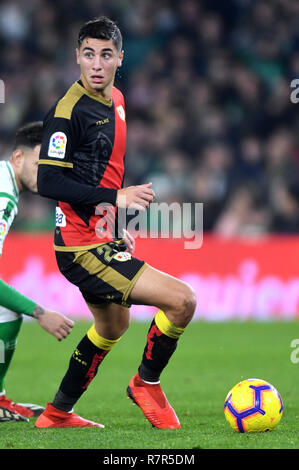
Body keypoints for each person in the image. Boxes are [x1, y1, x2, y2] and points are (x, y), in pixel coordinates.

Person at [36, 16, 196, 430]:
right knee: (182, 301)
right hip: (80, 248)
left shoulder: (118, 100)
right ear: (77, 57)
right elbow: (48, 179)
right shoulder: (67, 112)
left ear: (119, 59)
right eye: (88, 54)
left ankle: (56, 413)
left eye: (105, 55)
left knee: (112, 325)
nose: (96, 64)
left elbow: (102, 167)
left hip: (98, 233)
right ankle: (146, 383)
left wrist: (110, 218)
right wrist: (115, 200)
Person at [0, 122, 74, 423]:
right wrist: (40, 312)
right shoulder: (3, 196)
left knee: (6, 313)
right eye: (39, 163)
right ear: (18, 158)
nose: (45, 172)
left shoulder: (6, 186)